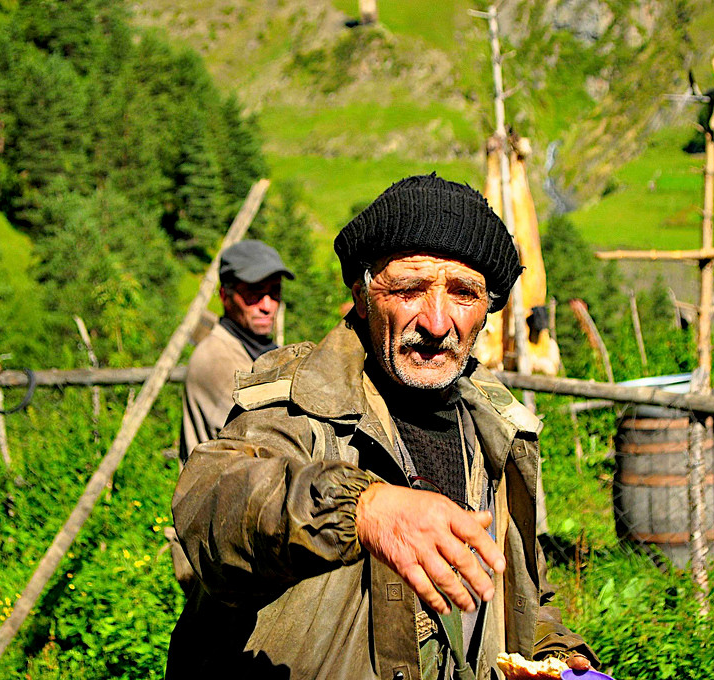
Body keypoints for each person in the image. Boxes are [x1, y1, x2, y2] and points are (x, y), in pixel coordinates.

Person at [167, 174, 599, 679]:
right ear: (362, 292)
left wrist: (561, 660)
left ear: (488, 311)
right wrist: (360, 508)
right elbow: (208, 503)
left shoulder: (496, 430)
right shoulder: (301, 403)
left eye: (464, 293)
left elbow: (518, 596)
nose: (438, 323)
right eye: (410, 288)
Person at [169, 239, 294, 588]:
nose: (268, 305)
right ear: (225, 296)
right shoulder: (220, 362)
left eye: (274, 293)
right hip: (219, 542)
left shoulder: (258, 350)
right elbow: (278, 436)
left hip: (247, 527)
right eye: (254, 294)